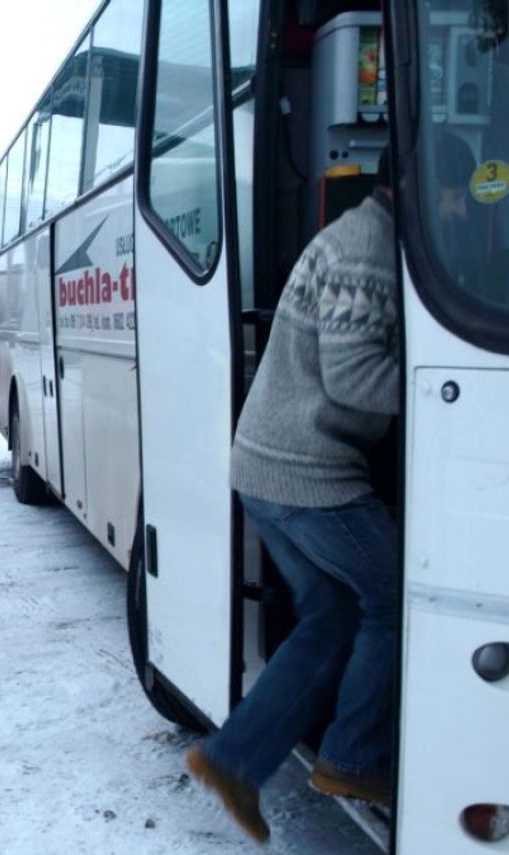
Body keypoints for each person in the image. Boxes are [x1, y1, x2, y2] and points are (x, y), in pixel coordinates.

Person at [185, 149, 402, 843]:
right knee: (399, 597)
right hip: (308, 474)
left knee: (333, 613)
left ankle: (233, 759)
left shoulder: (356, 234)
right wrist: (441, 386)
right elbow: (354, 377)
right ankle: (351, 758)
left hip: (270, 466)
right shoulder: (369, 249)